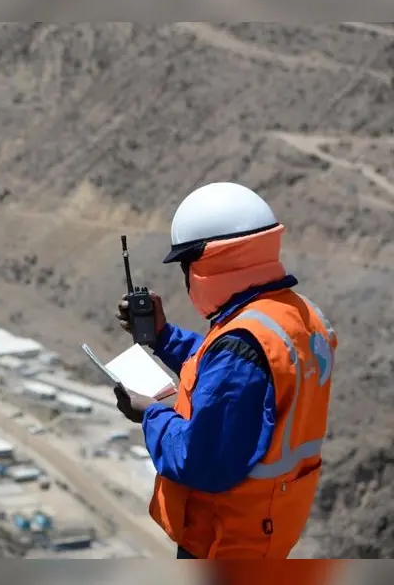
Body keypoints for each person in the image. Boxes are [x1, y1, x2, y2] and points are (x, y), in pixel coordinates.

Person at [113, 182, 338, 560]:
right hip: (267, 526)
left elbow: (199, 460)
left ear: (207, 265)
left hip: (226, 542)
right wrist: (164, 337)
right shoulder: (296, 316)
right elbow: (227, 368)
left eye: (187, 266)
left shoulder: (243, 345)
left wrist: (148, 413)